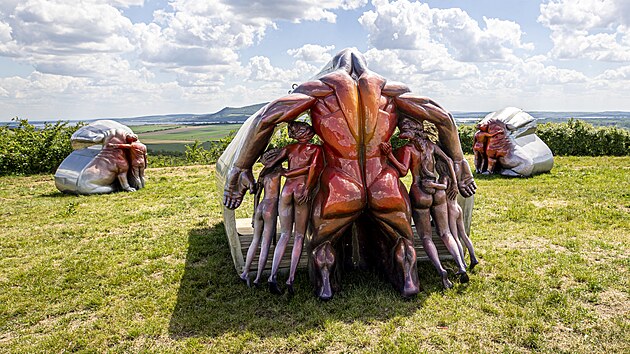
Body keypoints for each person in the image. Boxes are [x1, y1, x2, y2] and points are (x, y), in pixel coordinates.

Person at [223, 48, 476, 300]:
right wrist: (459, 161)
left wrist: (241, 166)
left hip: (340, 183)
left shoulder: (320, 89)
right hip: (383, 182)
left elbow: (267, 117)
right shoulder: (390, 91)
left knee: (323, 240)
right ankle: (408, 274)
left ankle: (325, 278)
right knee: (401, 237)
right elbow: (443, 117)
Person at [380, 117, 469, 288]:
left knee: (426, 237)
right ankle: (461, 265)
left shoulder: (408, 149)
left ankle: (441, 271)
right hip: (438, 191)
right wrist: (455, 184)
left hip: (420, 192)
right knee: (445, 233)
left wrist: (389, 154)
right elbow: (449, 161)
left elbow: (403, 171)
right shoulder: (430, 145)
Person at [264, 121, 324, 295]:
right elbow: (313, 169)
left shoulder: (290, 149)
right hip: (300, 190)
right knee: (299, 236)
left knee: (284, 234)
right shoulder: (316, 150)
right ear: (308, 134)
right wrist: (307, 187)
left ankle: (272, 276)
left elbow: (270, 164)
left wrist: (285, 171)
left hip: (287, 190)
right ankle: (290, 278)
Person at [240, 149, 283, 287]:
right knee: (265, 244)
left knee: (255, 240)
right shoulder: (280, 172)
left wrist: (254, 213)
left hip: (260, 207)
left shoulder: (263, 173)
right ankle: (258, 278)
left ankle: (245, 272)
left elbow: (257, 195)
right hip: (271, 208)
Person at [436, 159, 479, 270]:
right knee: (463, 235)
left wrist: (433, 185)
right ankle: (473, 257)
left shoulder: (444, 178)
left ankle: (462, 263)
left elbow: (444, 187)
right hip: (457, 207)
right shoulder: (454, 176)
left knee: (455, 237)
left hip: (451, 211)